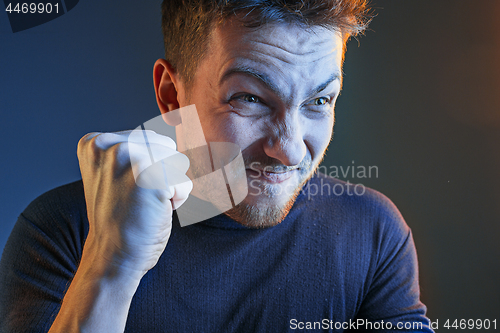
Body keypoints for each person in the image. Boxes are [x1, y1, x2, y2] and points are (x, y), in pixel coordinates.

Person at [0, 0, 434, 332]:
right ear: (172, 95)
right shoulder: (62, 230)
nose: (290, 151)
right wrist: (110, 266)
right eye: (249, 98)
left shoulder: (373, 233)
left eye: (319, 101)